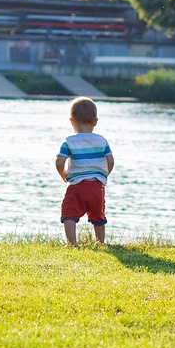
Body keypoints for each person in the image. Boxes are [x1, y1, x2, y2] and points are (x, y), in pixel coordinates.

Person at [55, 96, 114, 245]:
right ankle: (100, 242)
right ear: (95, 121)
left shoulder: (69, 142)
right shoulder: (102, 141)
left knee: (68, 213)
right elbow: (111, 161)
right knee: (98, 216)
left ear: (72, 121)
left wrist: (62, 172)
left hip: (77, 186)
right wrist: (104, 174)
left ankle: (72, 242)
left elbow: (59, 161)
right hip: (97, 187)